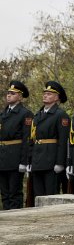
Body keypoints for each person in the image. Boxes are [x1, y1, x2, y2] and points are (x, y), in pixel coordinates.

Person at [29, 81, 70, 197]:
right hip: (37, 160)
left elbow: (63, 141)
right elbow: (32, 139)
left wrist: (60, 163)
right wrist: (30, 160)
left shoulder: (60, 115)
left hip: (51, 160)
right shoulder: (38, 115)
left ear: (57, 97)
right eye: (45, 93)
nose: (45, 95)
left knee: (50, 195)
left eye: (49, 94)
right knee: (38, 195)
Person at [0, 81, 33, 209]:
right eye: (8, 93)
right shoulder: (3, 114)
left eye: (13, 93)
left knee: (14, 192)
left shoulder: (25, 114)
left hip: (15, 157)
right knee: (4, 193)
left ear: (20, 97)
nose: (9, 95)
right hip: (2, 157)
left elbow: (27, 139)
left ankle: (16, 218)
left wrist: (24, 161)